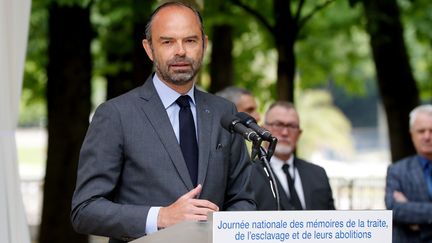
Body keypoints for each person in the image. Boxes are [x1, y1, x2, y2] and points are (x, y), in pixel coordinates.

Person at [70, 2, 255, 242]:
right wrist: (160, 217)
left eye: (190, 41)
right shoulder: (115, 114)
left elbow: (243, 199)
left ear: (204, 45)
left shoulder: (224, 111)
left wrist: (216, 230)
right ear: (149, 49)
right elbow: (84, 210)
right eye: (167, 42)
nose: (180, 51)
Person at [249, 101, 335, 210]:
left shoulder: (318, 174)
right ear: (262, 129)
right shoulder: (248, 174)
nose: (285, 132)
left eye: (292, 126)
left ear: (299, 133)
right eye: (278, 124)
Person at [385, 104, 432, 243]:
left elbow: (404, 212)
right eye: (421, 131)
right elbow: (394, 209)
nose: (427, 136)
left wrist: (414, 215)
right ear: (412, 134)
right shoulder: (397, 171)